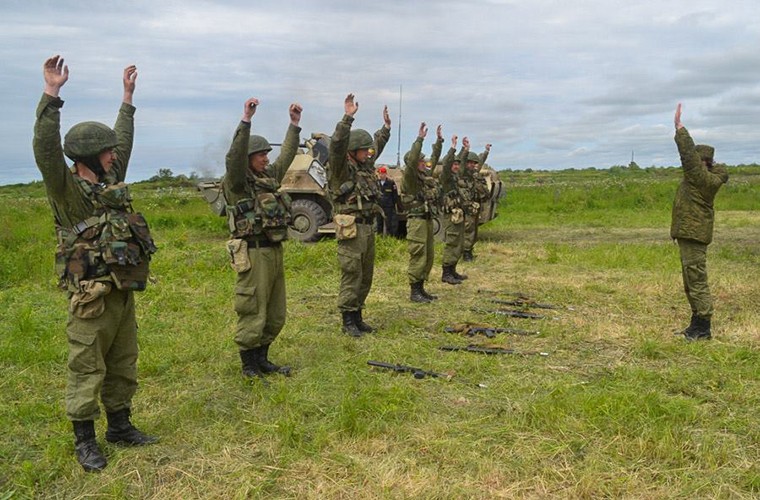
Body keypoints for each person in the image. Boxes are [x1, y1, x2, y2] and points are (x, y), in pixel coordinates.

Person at [33, 55, 158, 473]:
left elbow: (124, 139)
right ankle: (84, 441)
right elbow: (45, 150)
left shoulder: (108, 180)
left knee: (123, 362)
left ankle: (120, 426)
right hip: (91, 297)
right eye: (106, 152)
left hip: (121, 290)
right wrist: (51, 95)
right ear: (87, 156)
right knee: (87, 365)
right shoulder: (67, 190)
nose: (114, 156)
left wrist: (127, 98)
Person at [223, 97, 302, 376]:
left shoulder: (268, 177)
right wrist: (246, 119)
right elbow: (233, 157)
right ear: (247, 157)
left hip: (274, 249)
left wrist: (294, 126)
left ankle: (263, 359)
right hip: (253, 252)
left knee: (275, 309)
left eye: (267, 154)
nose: (266, 158)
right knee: (253, 306)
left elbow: (286, 157)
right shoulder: (237, 183)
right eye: (260, 154)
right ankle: (249, 366)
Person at [327, 94, 391, 336]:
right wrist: (347, 118)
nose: (368, 153)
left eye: (368, 150)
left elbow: (377, 145)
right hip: (350, 227)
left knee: (365, 274)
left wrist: (386, 128)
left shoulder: (365, 165)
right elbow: (336, 146)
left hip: (367, 227)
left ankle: (358, 315)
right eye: (363, 150)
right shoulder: (341, 169)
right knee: (352, 272)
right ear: (352, 151)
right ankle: (347, 319)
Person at [671, 103, 728, 340]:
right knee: (691, 281)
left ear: (702, 162)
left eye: (697, 159)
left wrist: (680, 129)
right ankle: (696, 325)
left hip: (694, 236)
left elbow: (688, 157)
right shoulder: (702, 179)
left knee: (697, 281)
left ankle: (703, 328)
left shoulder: (702, 179)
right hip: (690, 235)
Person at [401, 123, 443, 303]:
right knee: (418, 254)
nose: (423, 163)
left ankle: (421, 288)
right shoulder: (410, 178)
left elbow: (433, 160)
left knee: (428, 255)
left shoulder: (423, 177)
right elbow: (411, 163)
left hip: (426, 220)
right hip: (416, 221)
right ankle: (414, 291)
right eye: (419, 161)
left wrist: (439, 142)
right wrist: (419, 139)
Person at [440, 133, 469, 285]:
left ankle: (453, 270)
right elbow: (445, 165)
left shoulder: (457, 177)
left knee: (459, 242)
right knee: (452, 242)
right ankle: (446, 273)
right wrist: (452, 147)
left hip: (458, 214)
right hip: (450, 215)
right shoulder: (446, 178)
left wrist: (465, 149)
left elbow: (463, 164)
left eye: (458, 164)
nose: (457, 166)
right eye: (454, 164)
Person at [460, 139, 492, 261]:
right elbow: (462, 162)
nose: (473, 165)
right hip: (466, 207)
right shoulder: (463, 173)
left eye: (474, 163)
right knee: (468, 230)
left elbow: (481, 160)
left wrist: (486, 151)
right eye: (471, 163)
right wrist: (465, 149)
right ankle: (466, 252)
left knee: (473, 230)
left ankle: (469, 250)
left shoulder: (474, 173)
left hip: (475, 206)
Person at [376, 165, 401, 236]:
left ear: (385, 174)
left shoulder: (391, 183)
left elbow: (395, 195)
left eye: (383, 174)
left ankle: (389, 237)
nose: (381, 175)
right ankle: (379, 237)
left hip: (388, 206)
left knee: (389, 223)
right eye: (380, 174)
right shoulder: (376, 183)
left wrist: (393, 204)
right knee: (379, 223)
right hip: (379, 206)